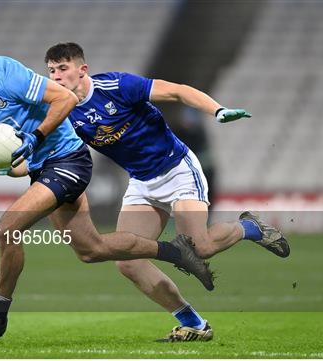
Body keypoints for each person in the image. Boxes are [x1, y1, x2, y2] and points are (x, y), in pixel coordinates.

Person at [0, 32, 214, 340]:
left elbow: (65, 98)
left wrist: (35, 137)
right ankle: (176, 256)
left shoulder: (4, 73)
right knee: (91, 250)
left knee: (8, 228)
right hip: (42, 168)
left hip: (67, 161)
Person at [44, 42, 290, 342]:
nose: (56, 76)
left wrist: (217, 110)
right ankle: (194, 323)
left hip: (177, 170)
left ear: (82, 69)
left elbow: (178, 91)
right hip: (142, 182)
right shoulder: (64, 112)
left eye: (63, 68)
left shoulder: (118, 85)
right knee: (128, 261)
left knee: (200, 248)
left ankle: (250, 227)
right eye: (51, 70)